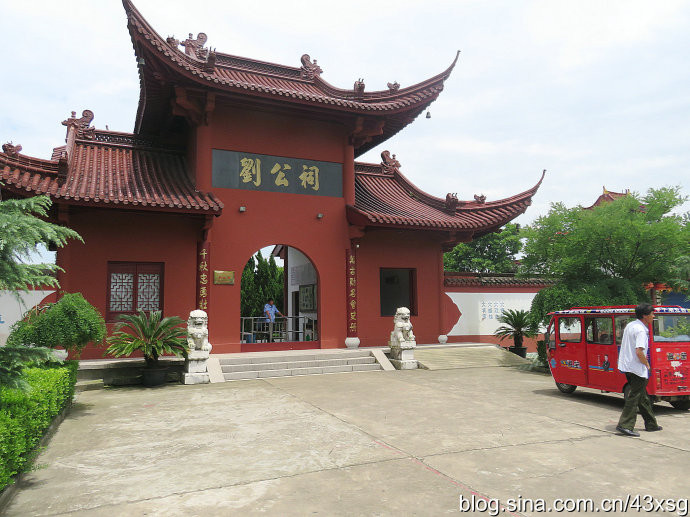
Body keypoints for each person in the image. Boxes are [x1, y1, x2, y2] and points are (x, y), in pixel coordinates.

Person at [615, 303, 662, 437]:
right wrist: (647, 364)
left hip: (627, 366)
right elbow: (639, 351)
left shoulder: (631, 325)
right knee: (635, 397)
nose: (653, 316)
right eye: (652, 314)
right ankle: (625, 425)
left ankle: (651, 424)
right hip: (636, 368)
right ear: (645, 316)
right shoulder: (641, 330)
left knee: (642, 396)